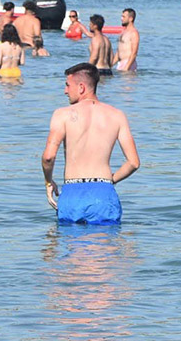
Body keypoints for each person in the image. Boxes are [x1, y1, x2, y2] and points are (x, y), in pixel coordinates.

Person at [41, 63, 141, 225]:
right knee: (106, 246)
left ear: (81, 87)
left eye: (67, 85)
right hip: (103, 194)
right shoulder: (117, 115)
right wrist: (109, 181)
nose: (65, 91)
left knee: (72, 246)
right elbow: (133, 163)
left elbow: (48, 157)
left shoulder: (62, 114)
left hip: (72, 194)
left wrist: (48, 182)